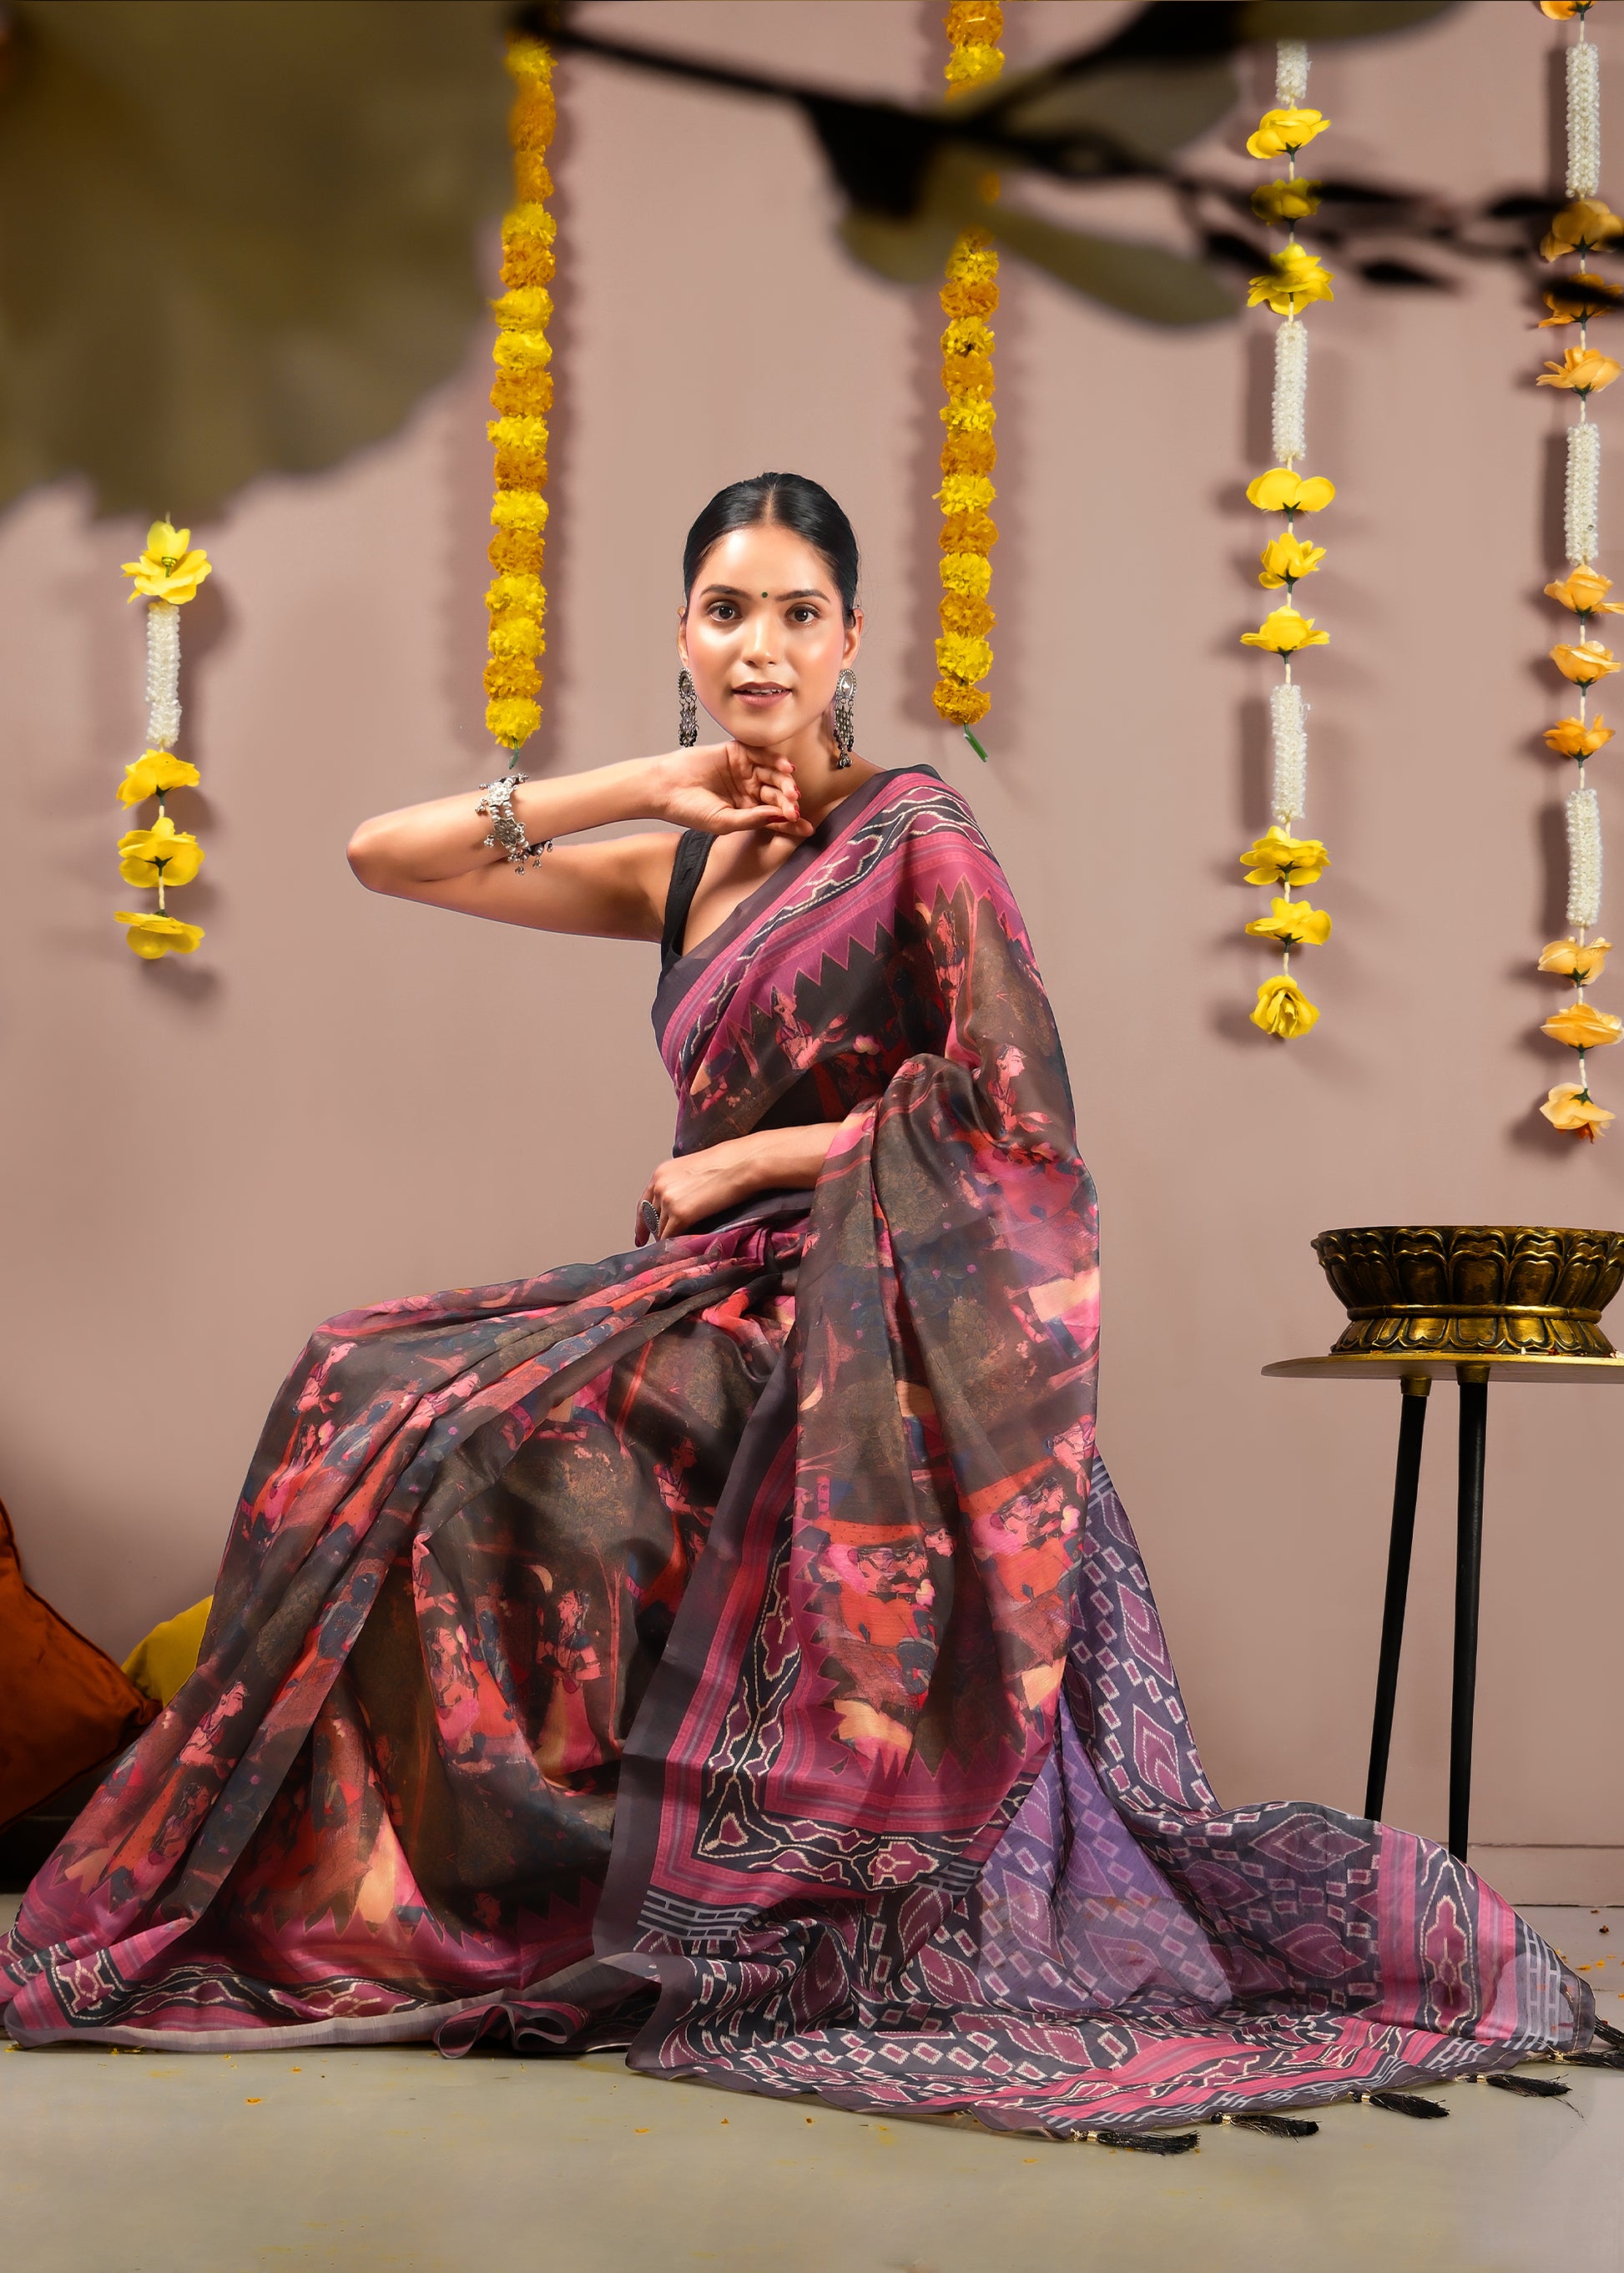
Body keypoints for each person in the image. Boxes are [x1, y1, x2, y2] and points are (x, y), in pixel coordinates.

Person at [0, 475, 1597, 2140]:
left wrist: (743, 1158)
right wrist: (650, 784)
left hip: (855, 1312)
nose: (758, 646)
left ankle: (573, 1912)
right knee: (365, 1375)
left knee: (513, 1449)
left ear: (849, 639)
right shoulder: (682, 865)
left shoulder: (919, 839)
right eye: (723, 611)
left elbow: (1009, 1117)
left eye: (793, 613)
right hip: (695, 1289)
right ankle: (412, 1908)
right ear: (682, 635)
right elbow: (379, 854)